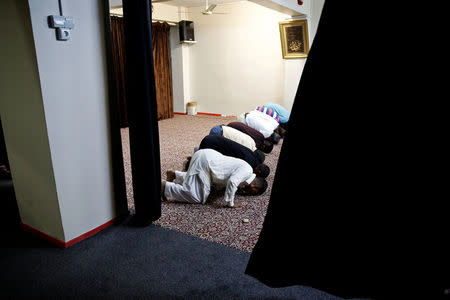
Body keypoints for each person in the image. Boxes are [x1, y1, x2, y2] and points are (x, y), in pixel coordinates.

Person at [162, 148, 268, 207]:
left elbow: (224, 179)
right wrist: (230, 203)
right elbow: (232, 182)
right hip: (205, 162)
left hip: (206, 158)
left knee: (199, 185)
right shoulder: (247, 171)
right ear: (255, 187)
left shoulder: (247, 173)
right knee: (197, 196)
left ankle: (175, 174)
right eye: (252, 193)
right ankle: (164, 186)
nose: (247, 193)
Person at [198, 135, 269, 178]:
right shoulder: (248, 165)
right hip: (211, 144)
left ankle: (197, 151)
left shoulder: (254, 157)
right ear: (258, 171)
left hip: (213, 138)